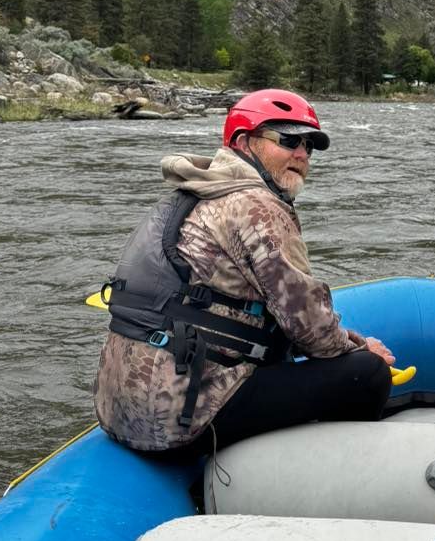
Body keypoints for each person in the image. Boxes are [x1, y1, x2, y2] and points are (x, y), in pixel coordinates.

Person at [93, 88, 394, 455]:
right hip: (182, 419)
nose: (301, 154)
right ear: (243, 142)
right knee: (367, 373)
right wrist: (363, 348)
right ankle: (346, 475)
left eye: (309, 145)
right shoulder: (257, 207)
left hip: (119, 410)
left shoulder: (191, 193)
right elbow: (313, 331)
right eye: (287, 140)